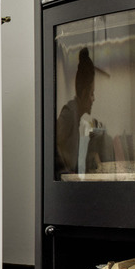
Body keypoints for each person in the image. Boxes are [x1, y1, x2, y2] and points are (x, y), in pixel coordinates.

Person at [55, 46, 103, 175]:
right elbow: (53, 144)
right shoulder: (69, 113)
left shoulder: (76, 116)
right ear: (84, 93)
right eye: (92, 93)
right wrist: (65, 172)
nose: (94, 99)